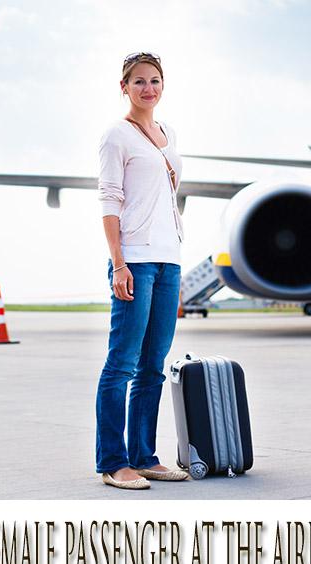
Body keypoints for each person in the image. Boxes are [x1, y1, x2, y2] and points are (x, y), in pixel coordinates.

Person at [95, 52, 188, 490]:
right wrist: (119, 264)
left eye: (154, 80)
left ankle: (144, 456)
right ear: (124, 87)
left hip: (168, 260)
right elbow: (110, 200)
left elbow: (167, 199)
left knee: (153, 366)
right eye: (138, 81)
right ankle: (114, 462)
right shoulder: (117, 135)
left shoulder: (167, 133)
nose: (148, 88)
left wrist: (176, 261)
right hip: (134, 258)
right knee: (122, 365)